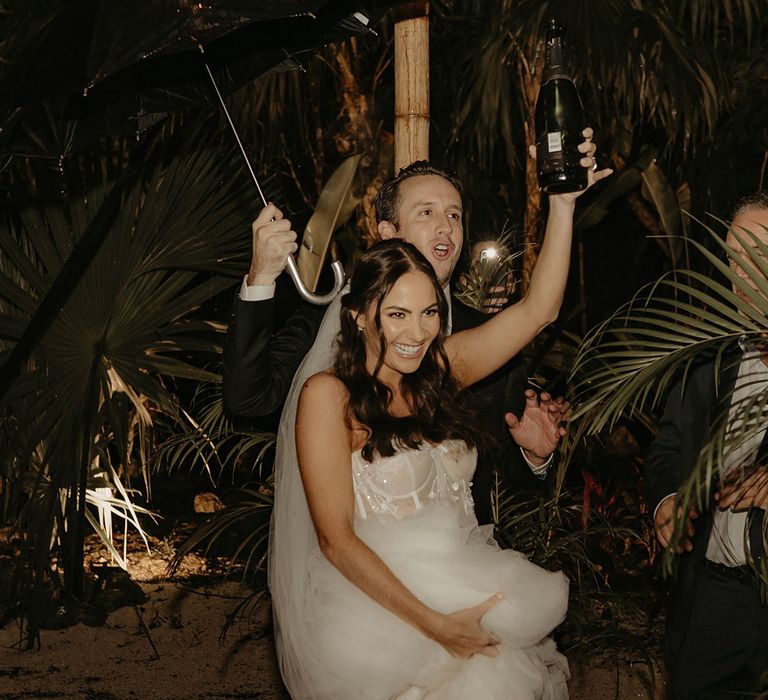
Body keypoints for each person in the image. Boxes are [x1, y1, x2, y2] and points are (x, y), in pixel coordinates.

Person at [223, 143, 601, 521]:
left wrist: (535, 456)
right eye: (426, 212)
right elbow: (249, 400)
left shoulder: (480, 338)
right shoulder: (332, 318)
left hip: (465, 557)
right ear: (389, 232)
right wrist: (260, 278)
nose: (446, 225)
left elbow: (538, 312)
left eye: (454, 214)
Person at [282, 239, 570, 699]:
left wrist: (563, 201)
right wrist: (438, 627)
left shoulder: (441, 370)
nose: (417, 331)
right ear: (357, 316)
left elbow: (539, 310)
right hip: (385, 626)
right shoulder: (329, 396)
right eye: (397, 314)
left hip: (472, 601)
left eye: (429, 312)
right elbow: (335, 540)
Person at [646, 191, 768, 698]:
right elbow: (669, 445)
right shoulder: (705, 358)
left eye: (761, 254)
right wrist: (666, 502)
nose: (745, 273)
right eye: (734, 257)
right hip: (717, 594)